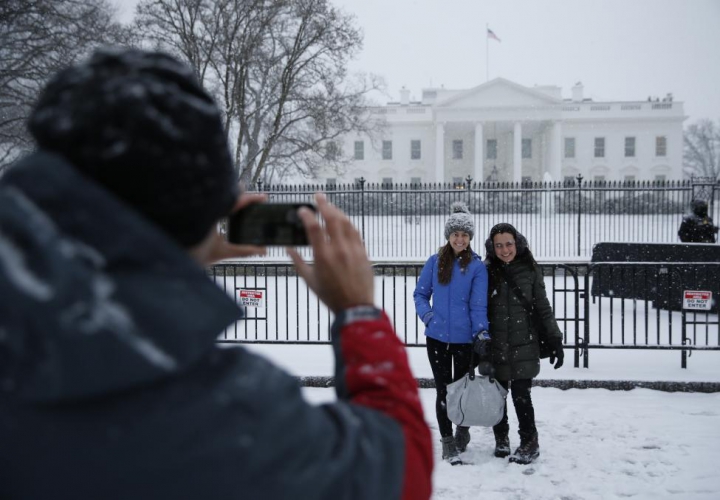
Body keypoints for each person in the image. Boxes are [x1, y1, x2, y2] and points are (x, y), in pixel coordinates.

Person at [0, 48, 432, 500]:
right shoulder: (231, 414)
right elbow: (399, 471)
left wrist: (175, 254)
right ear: (211, 208)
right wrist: (358, 312)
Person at [480, 222, 564, 465]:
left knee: (521, 395)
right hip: (496, 344)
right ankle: (501, 438)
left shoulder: (529, 268)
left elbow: (542, 306)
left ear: (516, 243)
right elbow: (478, 309)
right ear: (492, 247)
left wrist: (555, 338)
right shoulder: (485, 271)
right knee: (497, 395)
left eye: (509, 244)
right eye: (499, 246)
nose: (505, 250)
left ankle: (529, 442)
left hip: (524, 343)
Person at [413, 202, 489, 465]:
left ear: (470, 238)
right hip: (436, 339)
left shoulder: (477, 267)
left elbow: (479, 305)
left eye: (465, 235)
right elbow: (421, 294)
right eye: (456, 234)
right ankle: (447, 441)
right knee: (444, 392)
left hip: (465, 341)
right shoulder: (435, 262)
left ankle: (462, 430)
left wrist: (481, 333)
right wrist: (428, 316)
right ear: (448, 236)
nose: (460, 239)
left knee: (462, 392)